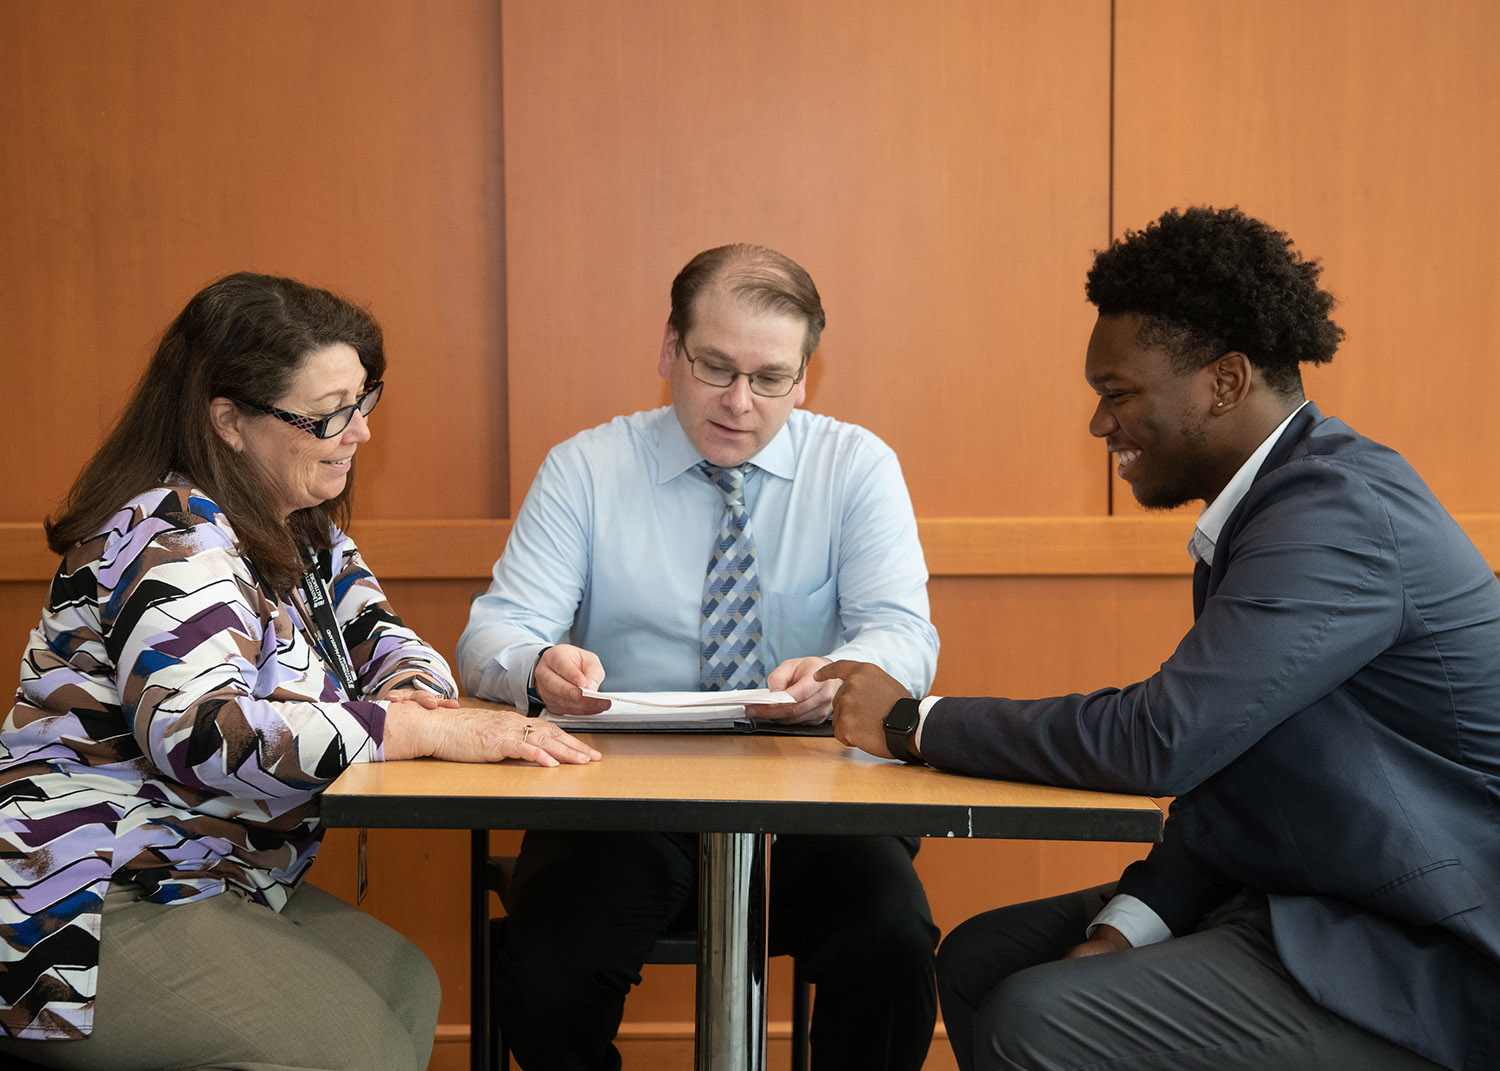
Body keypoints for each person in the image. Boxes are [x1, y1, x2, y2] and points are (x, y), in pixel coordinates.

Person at [820, 206, 1500, 1071]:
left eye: (1119, 394)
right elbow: (1228, 779)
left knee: (1037, 1017)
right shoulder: (1269, 507)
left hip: (1427, 955)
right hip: (1310, 897)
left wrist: (913, 723)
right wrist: (1122, 927)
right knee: (985, 959)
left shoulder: (1337, 516)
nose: (1100, 427)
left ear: (1222, 382)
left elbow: (1161, 739)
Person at [0, 272, 600, 1071]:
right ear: (230, 421)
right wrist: (408, 727)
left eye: (363, 402)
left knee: (406, 985)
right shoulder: (167, 533)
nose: (359, 434)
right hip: (80, 893)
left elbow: (390, 645)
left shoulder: (302, 530)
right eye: (328, 416)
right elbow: (199, 732)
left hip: (206, 871)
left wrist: (408, 694)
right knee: (359, 1048)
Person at [457, 243, 942, 1071]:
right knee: (548, 975)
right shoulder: (587, 468)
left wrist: (842, 671)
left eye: (771, 378)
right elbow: (491, 635)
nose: (739, 402)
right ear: (668, 350)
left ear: (804, 377)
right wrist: (537, 662)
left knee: (893, 945)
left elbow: (904, 633)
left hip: (811, 793)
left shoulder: (856, 466)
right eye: (715, 366)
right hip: (621, 795)